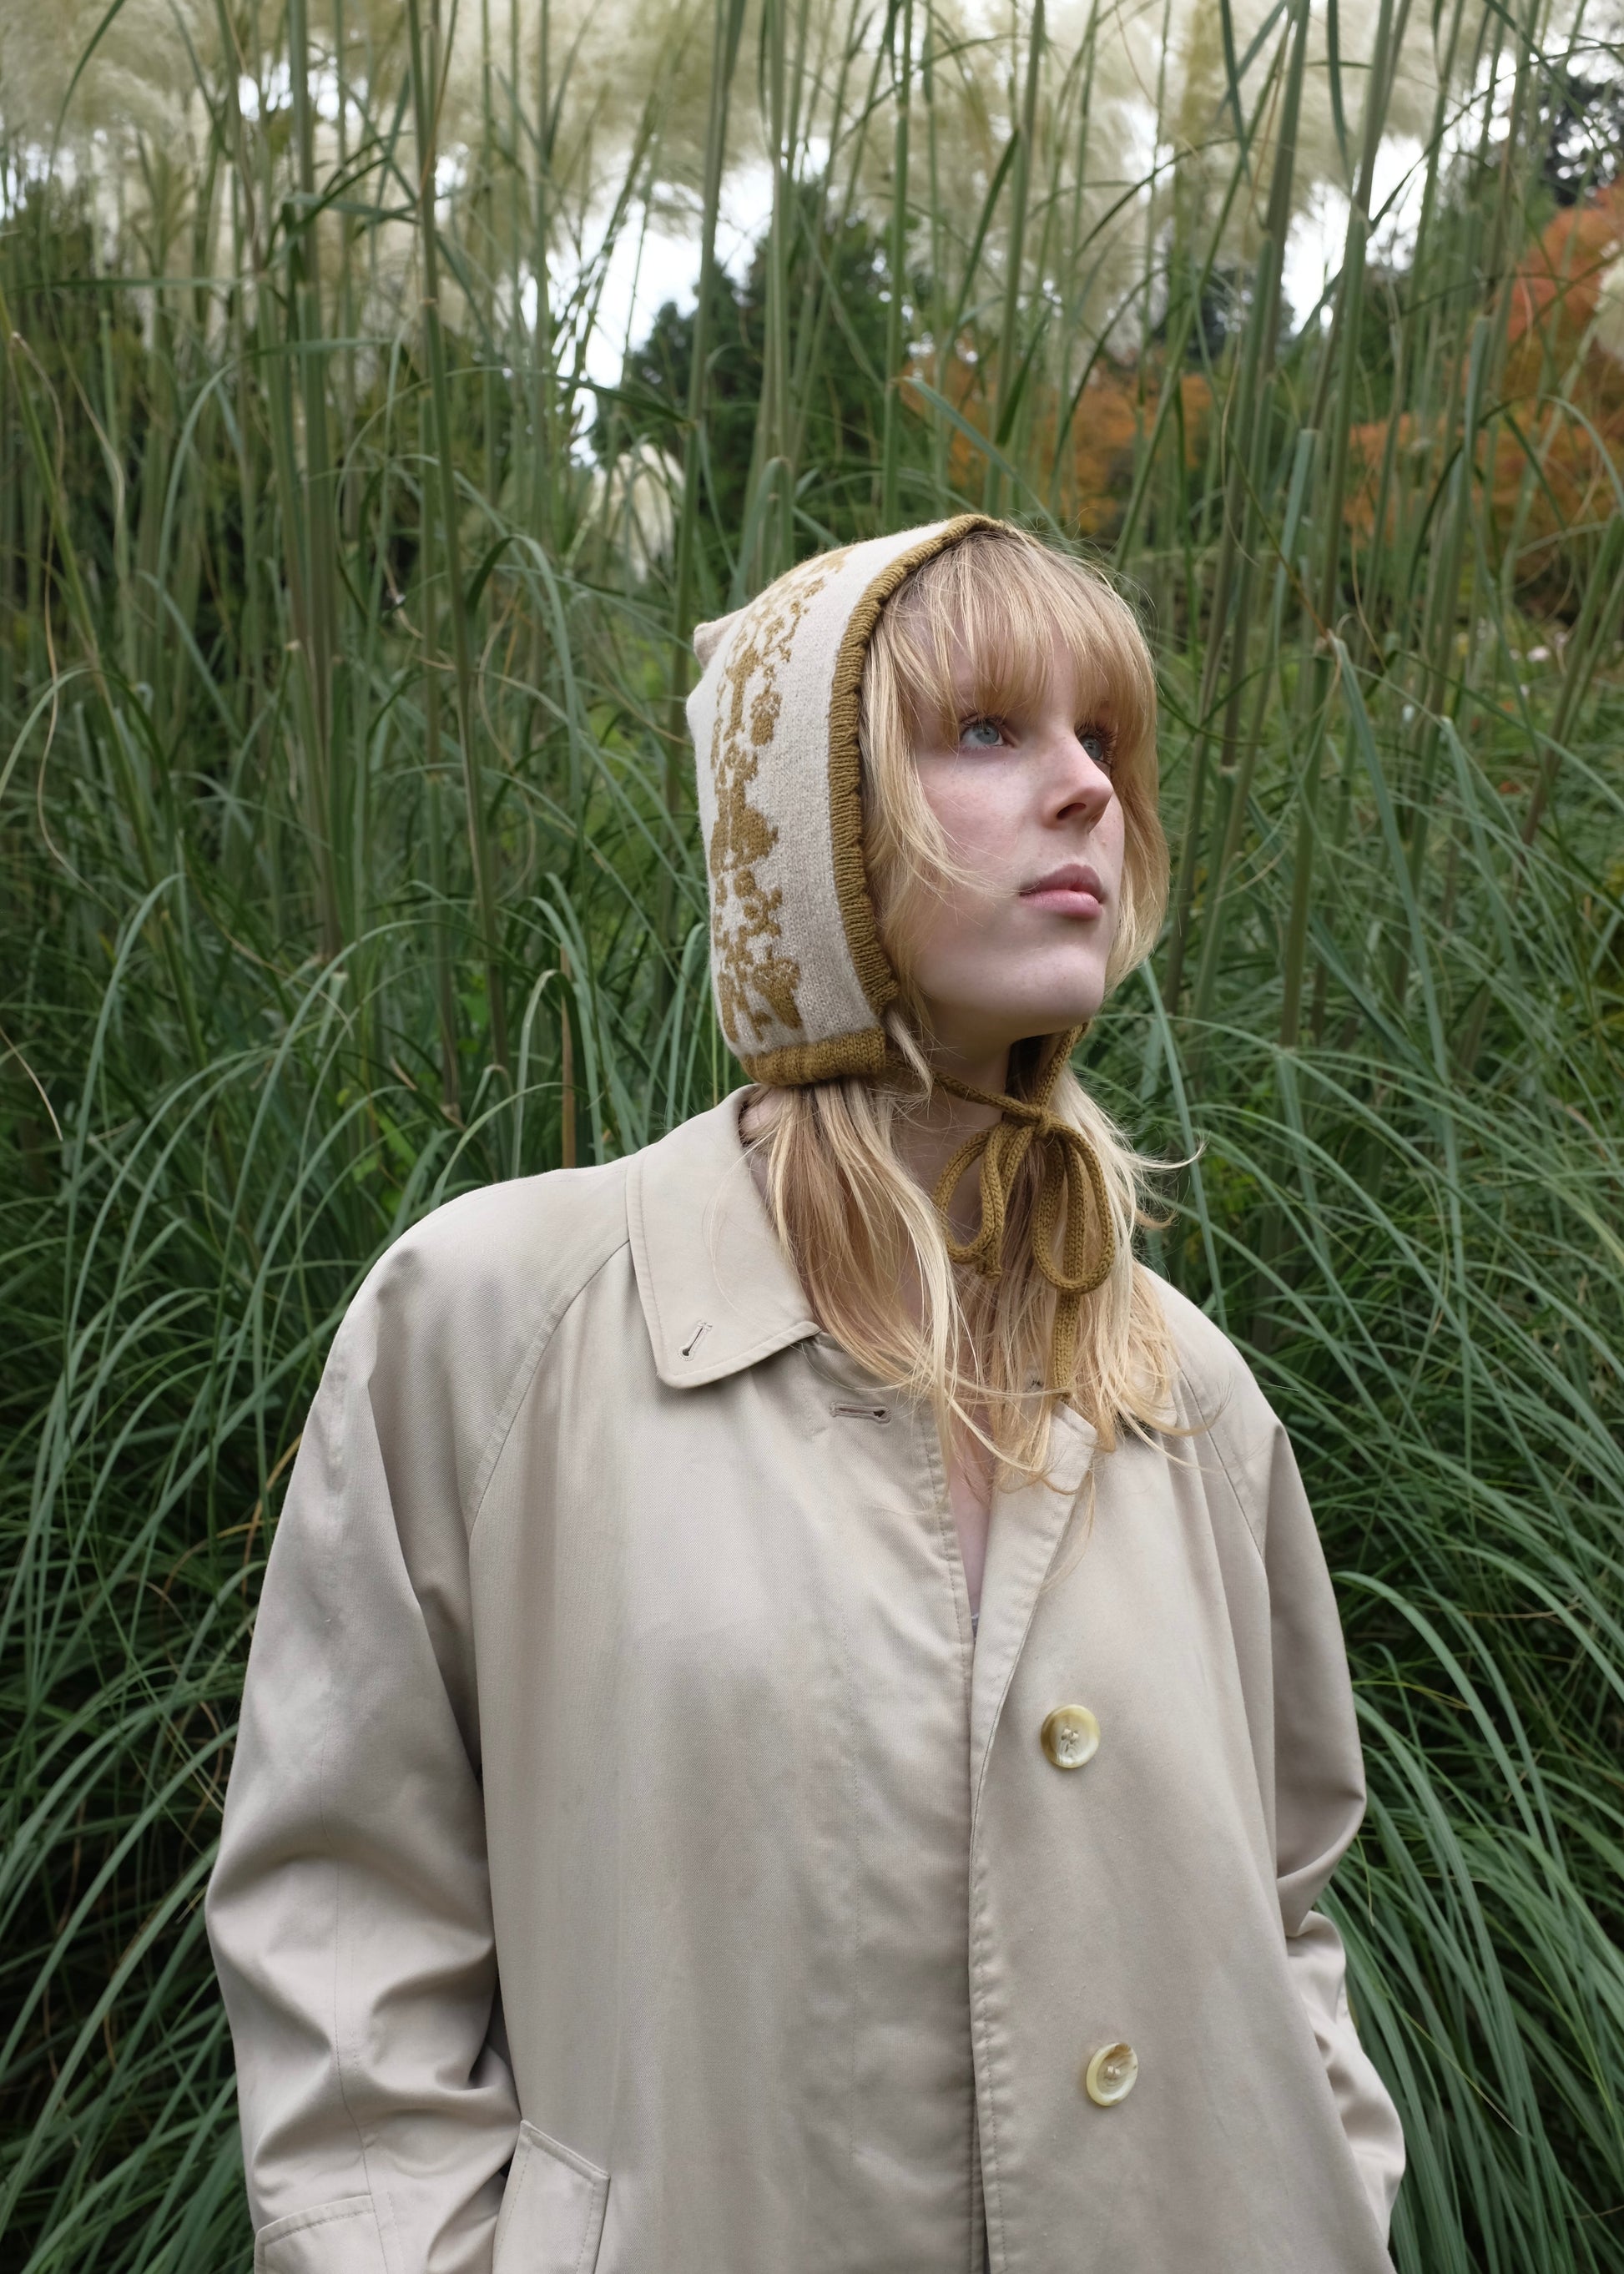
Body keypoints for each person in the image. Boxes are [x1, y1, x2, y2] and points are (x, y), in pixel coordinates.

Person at [206, 516, 1405, 2274]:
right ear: (801, 815)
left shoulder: (1191, 1398)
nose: (1083, 785)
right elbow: (342, 1945)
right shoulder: (490, 1332)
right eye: (985, 730)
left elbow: (1292, 1901)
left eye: (1100, 736)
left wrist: (1323, 2187)